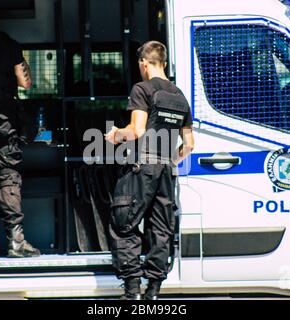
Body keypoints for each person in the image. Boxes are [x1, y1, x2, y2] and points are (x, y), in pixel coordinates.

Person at [105, 41, 195, 299]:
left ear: (144, 64)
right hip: (166, 168)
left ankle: (132, 290)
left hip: (141, 166)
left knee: (124, 224)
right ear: (163, 63)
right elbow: (189, 144)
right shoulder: (179, 96)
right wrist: (169, 162)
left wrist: (116, 134)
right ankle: (153, 290)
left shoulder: (142, 89)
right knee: (160, 229)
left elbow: (137, 130)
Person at [0, 9, 40, 258]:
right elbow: (26, 83)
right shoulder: (8, 43)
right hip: (3, 121)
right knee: (8, 177)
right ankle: (16, 243)